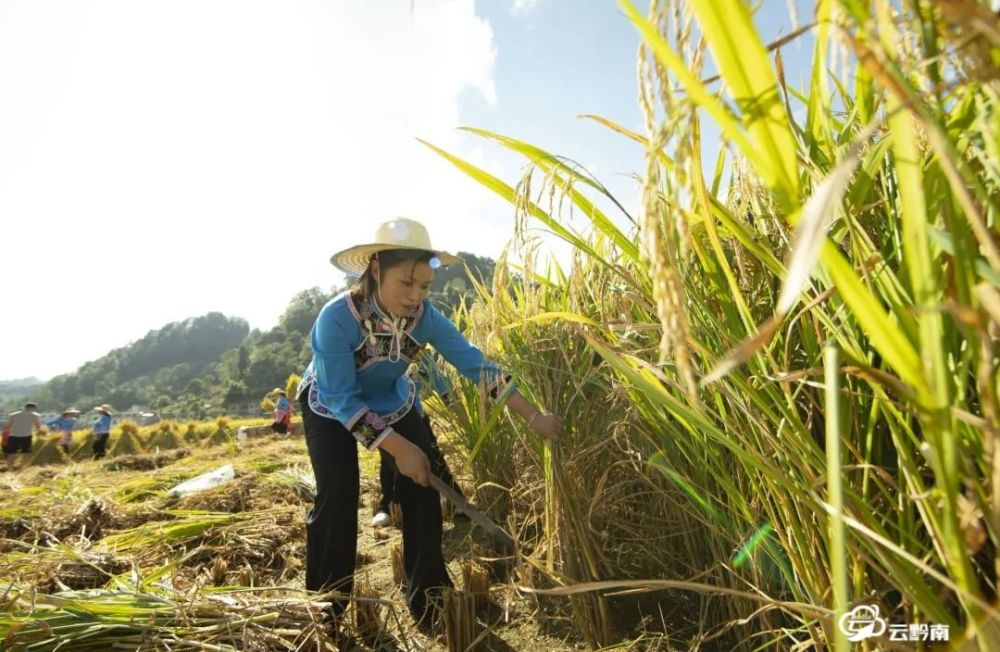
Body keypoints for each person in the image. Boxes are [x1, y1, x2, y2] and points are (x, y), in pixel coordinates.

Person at [297, 217, 561, 631]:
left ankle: (430, 596)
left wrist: (535, 417)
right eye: (406, 283)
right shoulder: (335, 319)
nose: (415, 296)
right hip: (330, 407)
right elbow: (342, 399)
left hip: (391, 402)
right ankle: (325, 608)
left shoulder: (426, 318)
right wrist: (399, 449)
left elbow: (477, 366)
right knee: (338, 498)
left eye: (424, 287)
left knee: (424, 489)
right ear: (376, 269)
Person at [371, 351, 467, 528]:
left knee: (434, 457)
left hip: (417, 416)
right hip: (388, 418)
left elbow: (442, 385)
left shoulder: (425, 358)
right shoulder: (384, 354)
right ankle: (386, 508)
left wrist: (460, 414)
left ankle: (457, 501)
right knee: (389, 463)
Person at [3, 402, 43, 472]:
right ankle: (22, 469)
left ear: (25, 407)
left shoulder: (13, 415)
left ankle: (10, 469)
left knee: (11, 453)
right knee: (26, 453)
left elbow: (7, 426)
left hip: (13, 436)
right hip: (26, 436)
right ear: (33, 408)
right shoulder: (35, 415)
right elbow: (38, 427)